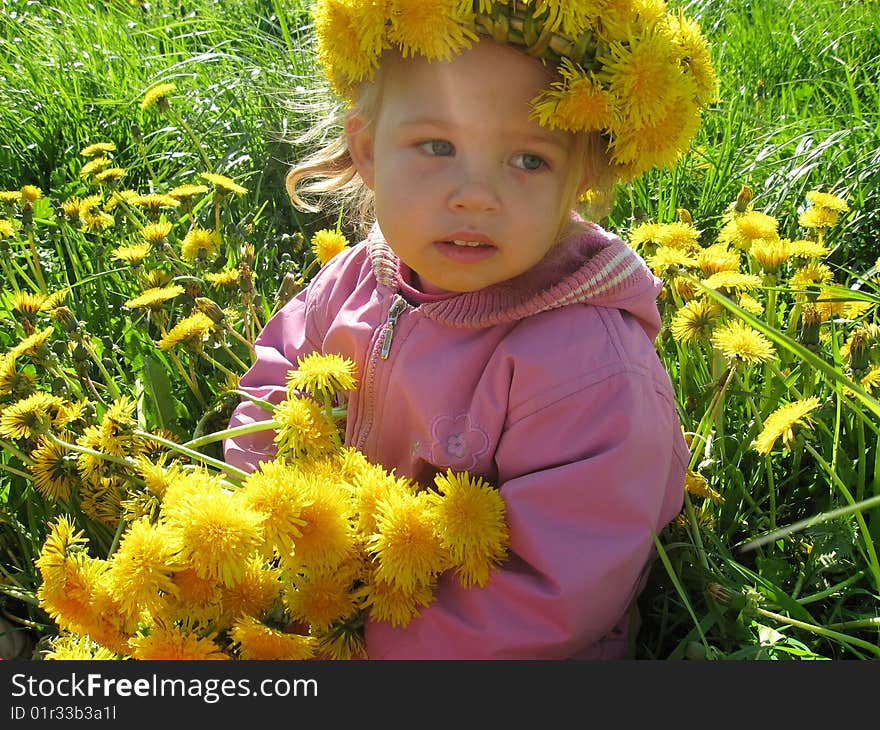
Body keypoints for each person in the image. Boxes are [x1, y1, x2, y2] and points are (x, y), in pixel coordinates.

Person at [224, 0, 715, 659]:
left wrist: (369, 647)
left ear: (584, 178)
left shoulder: (585, 366)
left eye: (528, 160)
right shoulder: (354, 281)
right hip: (334, 587)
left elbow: (552, 593)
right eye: (438, 146)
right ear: (368, 150)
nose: (476, 194)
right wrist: (262, 523)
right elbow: (277, 379)